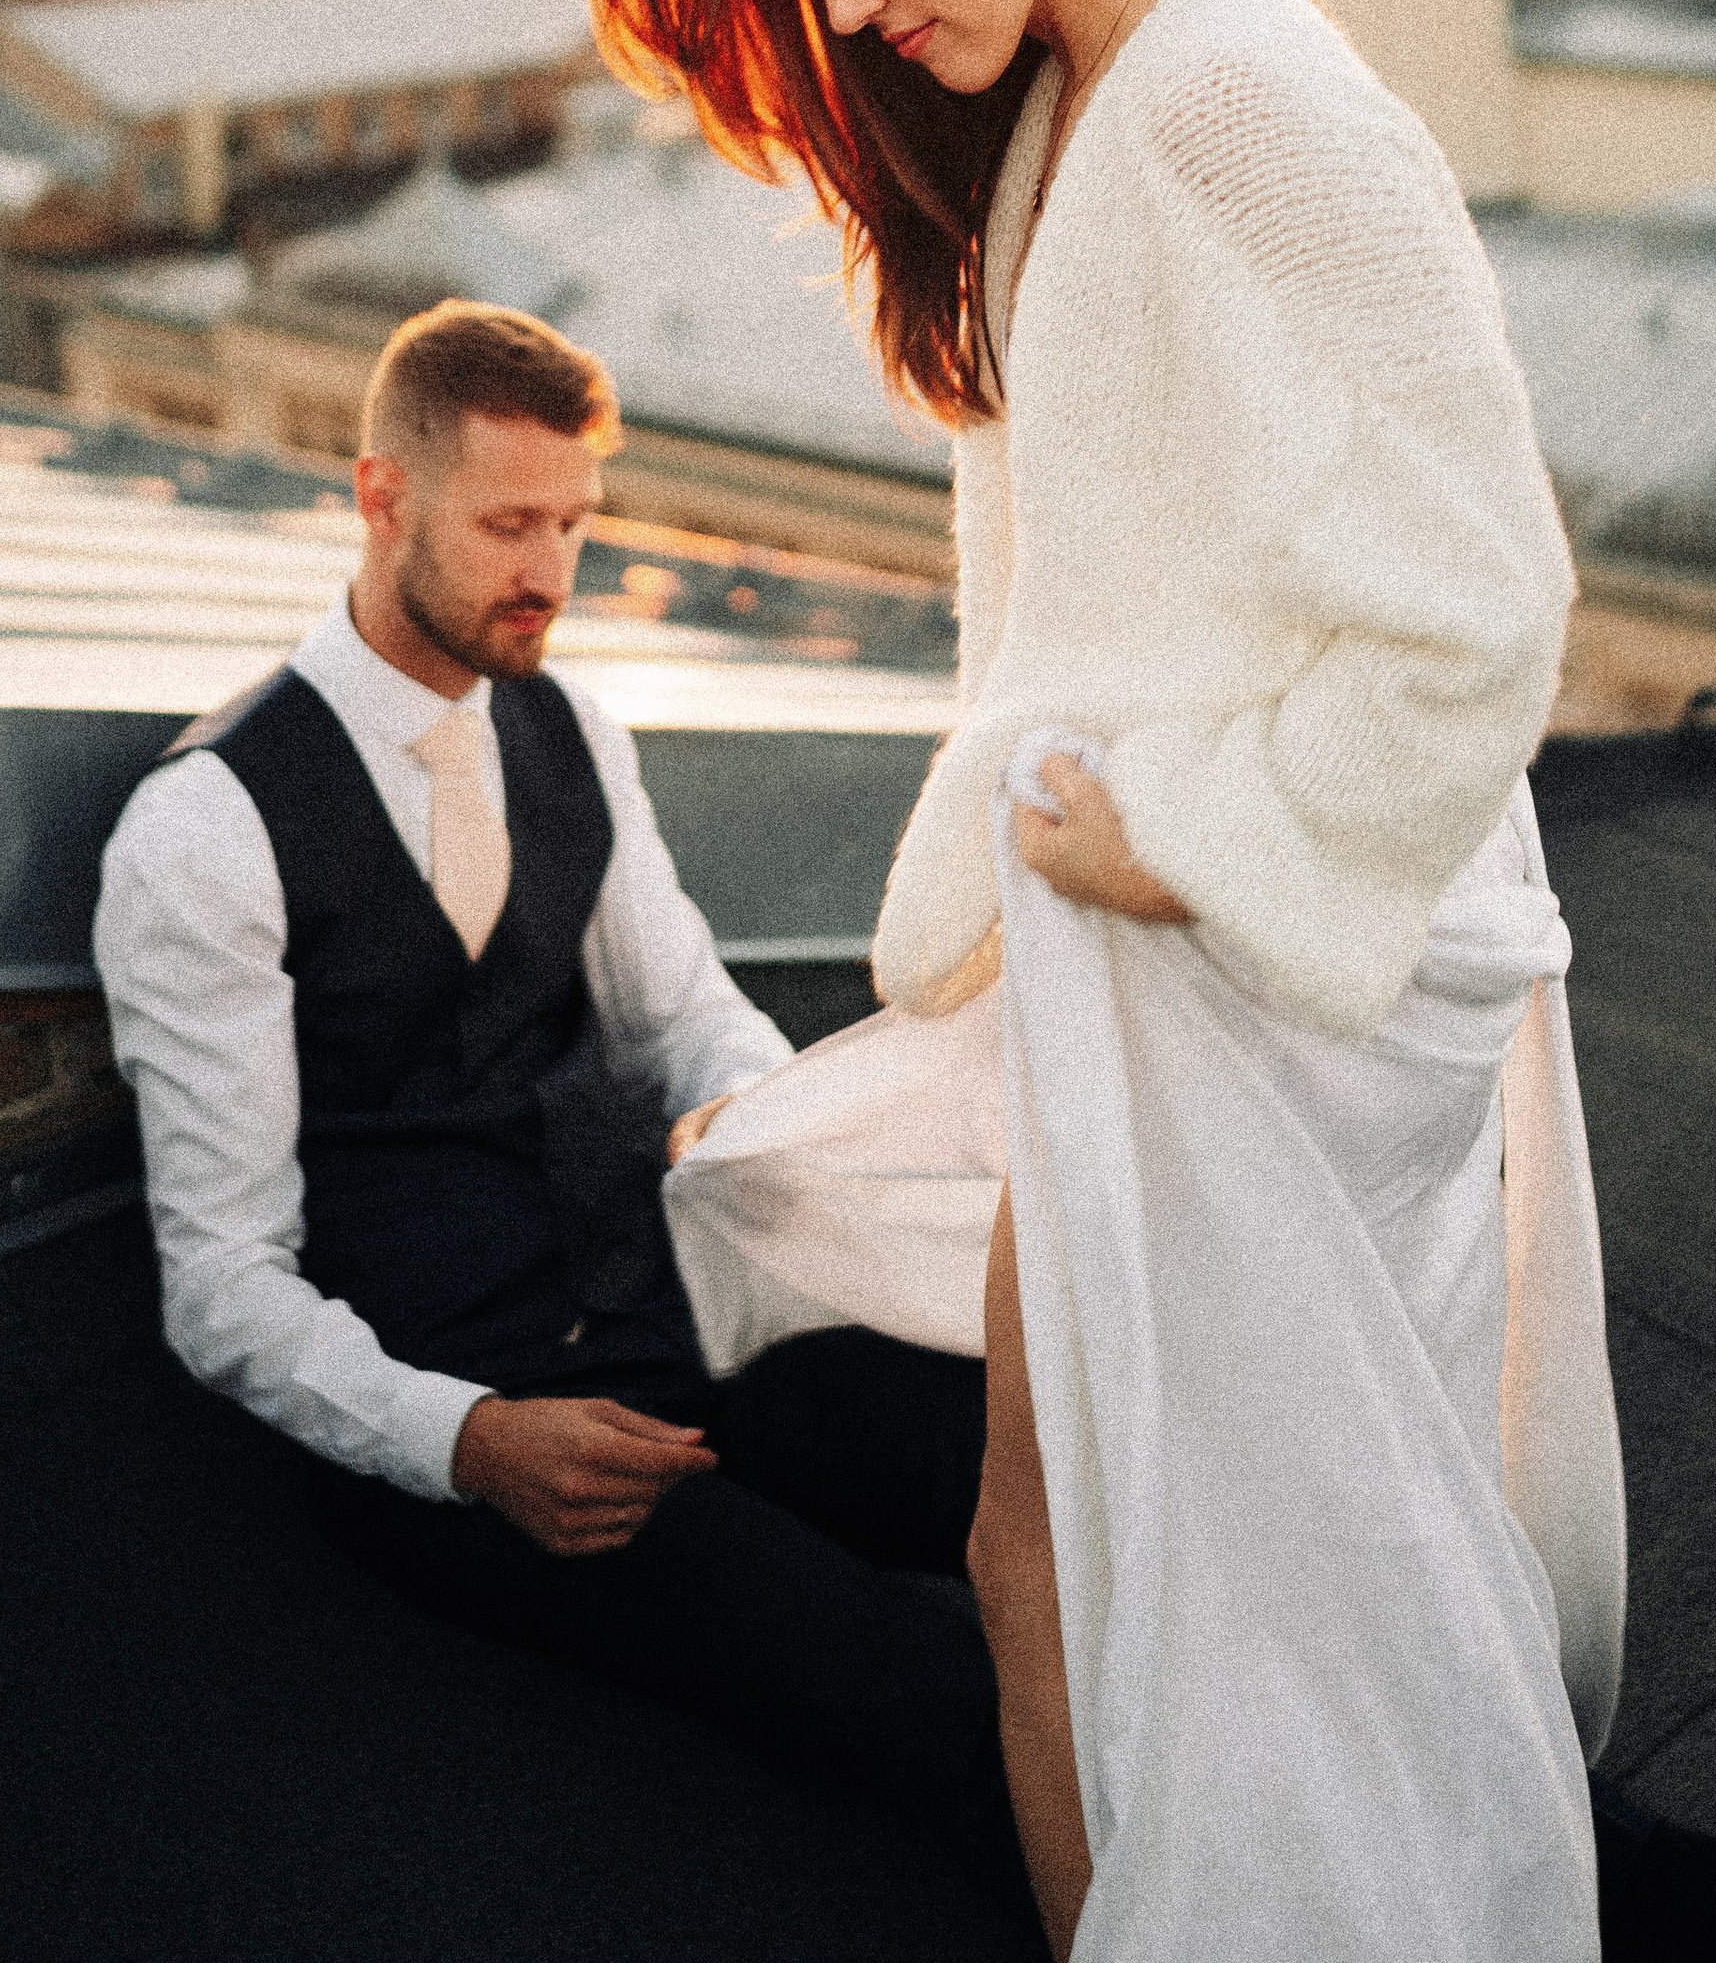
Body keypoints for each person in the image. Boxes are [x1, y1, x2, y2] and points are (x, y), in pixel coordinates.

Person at [574, 0, 1716, 1963]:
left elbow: (1477, 608)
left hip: (1260, 960)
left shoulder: (1244, 97)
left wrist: (1161, 843)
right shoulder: (1075, 111)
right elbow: (1090, 580)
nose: (849, 6)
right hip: (1159, 959)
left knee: (1230, 1553)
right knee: (1117, 1543)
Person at [94, 299, 1042, 1945]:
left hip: (673, 1318)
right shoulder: (205, 831)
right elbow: (222, 1282)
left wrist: (776, 1143)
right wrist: (465, 1444)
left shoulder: (567, 726)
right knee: (924, 1693)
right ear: (383, 496)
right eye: (505, 523)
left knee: (1052, 1479)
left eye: (574, 527)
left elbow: (686, 1021)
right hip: (467, 1413)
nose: (547, 568)